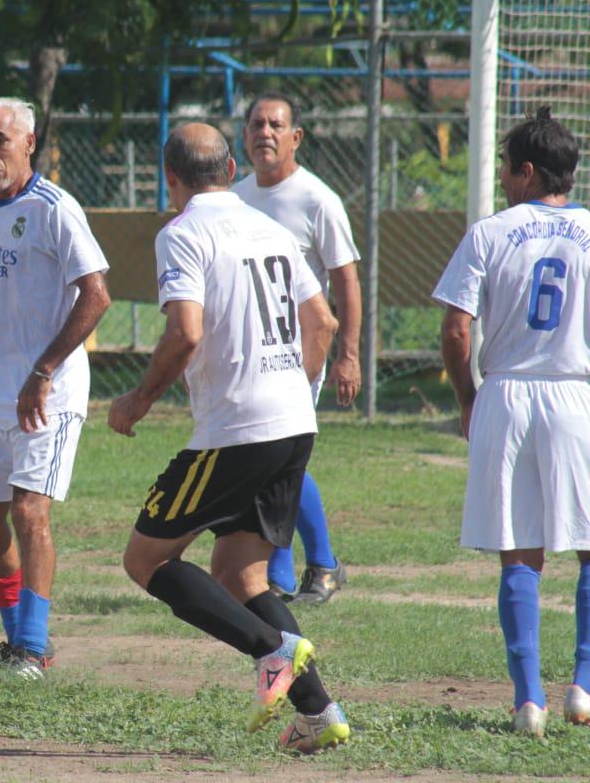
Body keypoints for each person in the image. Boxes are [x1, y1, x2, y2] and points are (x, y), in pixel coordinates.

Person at [109, 123, 349, 753]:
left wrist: (136, 400)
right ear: (229, 167)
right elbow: (321, 320)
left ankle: (271, 650)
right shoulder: (268, 227)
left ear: (172, 178)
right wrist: (294, 387)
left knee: (146, 560)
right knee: (241, 575)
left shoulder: (183, 233)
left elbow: (184, 333)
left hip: (237, 430)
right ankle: (318, 714)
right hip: (295, 420)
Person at [433, 107, 590, 738]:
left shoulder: (490, 232)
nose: (501, 178)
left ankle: (529, 700)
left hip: (506, 393)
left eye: (505, 167)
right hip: (577, 393)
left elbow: (455, 328)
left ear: (526, 171)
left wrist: (469, 398)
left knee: (519, 554)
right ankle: (583, 685)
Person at [0, 97, 111, 679]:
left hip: (47, 392)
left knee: (30, 511)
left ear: (30, 143)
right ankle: (21, 641)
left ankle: (32, 646)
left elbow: (96, 295)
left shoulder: (56, 209)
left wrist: (43, 370)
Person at [233, 93, 361, 604]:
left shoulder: (316, 199)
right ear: (244, 136)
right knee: (272, 462)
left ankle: (311, 568)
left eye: (275, 125)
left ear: (295, 137)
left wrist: (346, 353)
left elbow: (345, 280)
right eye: (256, 124)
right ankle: (292, 572)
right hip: (252, 354)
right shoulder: (237, 197)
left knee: (280, 461)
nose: (265, 132)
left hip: (302, 352)